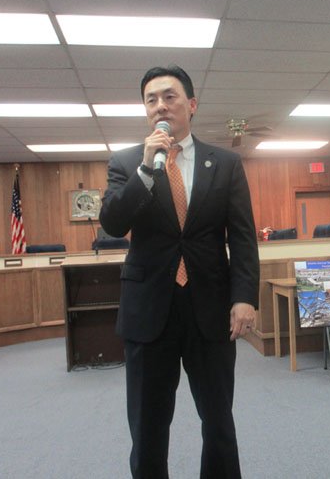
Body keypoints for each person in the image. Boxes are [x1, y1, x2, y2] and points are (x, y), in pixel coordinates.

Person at [100, 65, 260, 479]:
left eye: (169, 97)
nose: (159, 106)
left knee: (219, 422)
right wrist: (147, 169)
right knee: (148, 428)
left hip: (211, 310)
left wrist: (244, 298)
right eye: (151, 100)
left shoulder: (224, 163)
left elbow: (242, 237)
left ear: (190, 104)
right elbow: (114, 224)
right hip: (149, 313)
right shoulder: (126, 162)